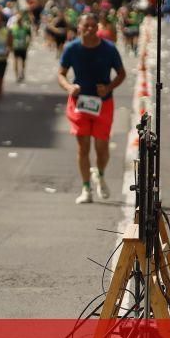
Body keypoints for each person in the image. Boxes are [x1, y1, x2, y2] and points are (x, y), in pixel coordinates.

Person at [58, 13, 127, 204]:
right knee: (83, 147)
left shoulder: (109, 49)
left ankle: (100, 174)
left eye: (93, 26)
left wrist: (108, 88)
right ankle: (86, 188)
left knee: (102, 148)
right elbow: (61, 74)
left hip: (103, 103)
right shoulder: (71, 48)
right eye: (85, 26)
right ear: (78, 28)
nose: (89, 29)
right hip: (79, 103)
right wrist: (69, 87)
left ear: (97, 28)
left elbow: (122, 74)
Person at [7, 10, 31, 82]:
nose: (19, 20)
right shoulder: (13, 28)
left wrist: (28, 43)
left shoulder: (25, 27)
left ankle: (22, 72)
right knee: (15, 61)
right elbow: (9, 37)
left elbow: (29, 35)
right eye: (18, 19)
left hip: (23, 47)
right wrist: (10, 46)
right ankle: (17, 75)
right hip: (16, 47)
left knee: (23, 61)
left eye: (20, 19)